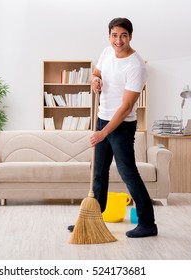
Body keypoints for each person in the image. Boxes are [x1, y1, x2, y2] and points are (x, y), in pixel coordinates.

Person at [69, 17, 157, 238]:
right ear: (109, 36)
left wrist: (104, 132)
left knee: (128, 173)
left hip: (122, 126)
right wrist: (94, 80)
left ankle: (148, 223)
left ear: (130, 37)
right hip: (102, 119)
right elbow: (97, 73)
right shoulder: (107, 52)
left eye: (124, 35)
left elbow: (127, 107)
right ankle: (93, 220)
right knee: (97, 173)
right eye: (115, 35)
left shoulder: (136, 65)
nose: (119, 40)